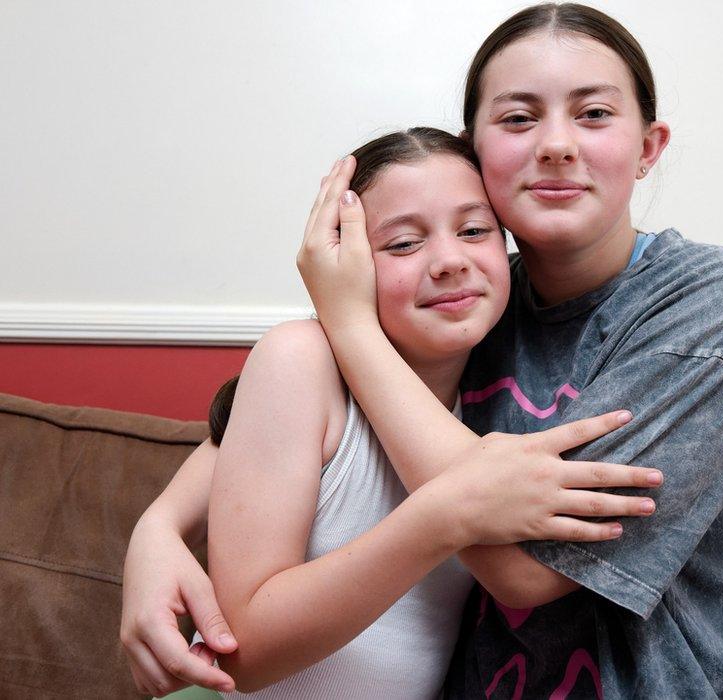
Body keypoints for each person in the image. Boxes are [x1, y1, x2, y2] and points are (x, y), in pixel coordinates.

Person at [124, 3, 723, 696]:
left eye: (594, 114)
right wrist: (156, 530)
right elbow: (266, 420)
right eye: (518, 119)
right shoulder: (471, 309)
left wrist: (353, 326)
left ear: (649, 147)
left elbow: (525, 571)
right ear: (476, 155)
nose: (556, 145)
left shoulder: (715, 300)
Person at [122, 127, 660, 699]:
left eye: (475, 230)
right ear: (342, 263)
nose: (449, 261)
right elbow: (243, 654)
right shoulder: (302, 361)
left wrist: (155, 528)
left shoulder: (502, 386)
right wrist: (445, 515)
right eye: (403, 244)